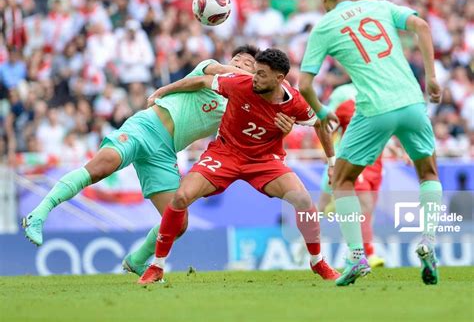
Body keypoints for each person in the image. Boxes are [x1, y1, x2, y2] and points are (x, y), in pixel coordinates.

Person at [22, 45, 294, 276]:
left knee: (179, 221)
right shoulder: (210, 67)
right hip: (146, 127)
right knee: (100, 167)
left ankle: (137, 260)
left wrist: (284, 125)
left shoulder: (239, 103)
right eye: (238, 60)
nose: (240, 65)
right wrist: (248, 73)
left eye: (249, 64)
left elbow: (264, 124)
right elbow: (221, 70)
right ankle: (39, 213)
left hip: (165, 153)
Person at [138, 48, 340, 285]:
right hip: (225, 154)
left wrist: (332, 162)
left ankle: (318, 262)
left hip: (264, 160)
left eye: (262, 75)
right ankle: (157, 266)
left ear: (279, 79)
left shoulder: (295, 102)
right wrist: (163, 90)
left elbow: (321, 124)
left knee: (304, 202)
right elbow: (202, 81)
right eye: (255, 72)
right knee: (181, 197)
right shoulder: (239, 84)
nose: (255, 78)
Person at [298, 0, 443, 286]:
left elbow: (304, 84)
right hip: (411, 102)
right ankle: (428, 243)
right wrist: (431, 79)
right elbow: (421, 26)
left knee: (343, 181)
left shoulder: (324, 26)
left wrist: (321, 112)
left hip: (374, 108)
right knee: (429, 172)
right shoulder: (379, 6)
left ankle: (356, 256)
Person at [318, 83, 385, 269]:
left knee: (366, 208)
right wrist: (330, 155)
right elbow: (326, 124)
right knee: (321, 208)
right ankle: (306, 245)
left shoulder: (378, 92)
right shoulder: (342, 94)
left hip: (372, 160)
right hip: (344, 159)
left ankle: (362, 252)